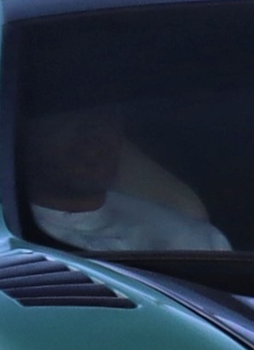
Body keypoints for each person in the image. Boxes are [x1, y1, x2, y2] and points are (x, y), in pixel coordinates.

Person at [21, 104, 226, 253]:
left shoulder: (191, 242)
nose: (93, 132)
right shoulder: (2, 242)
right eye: (67, 116)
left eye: (105, 117)